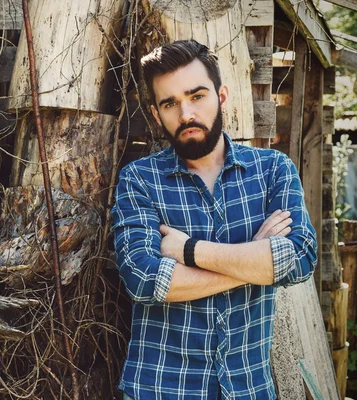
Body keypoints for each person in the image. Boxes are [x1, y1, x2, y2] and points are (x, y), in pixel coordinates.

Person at [111, 40, 317, 399]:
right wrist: (254, 257)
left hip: (248, 388)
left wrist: (188, 251)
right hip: (159, 388)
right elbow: (145, 281)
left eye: (197, 96)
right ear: (156, 113)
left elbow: (300, 259)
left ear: (221, 95)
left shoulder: (272, 171)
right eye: (170, 103)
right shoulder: (139, 179)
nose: (186, 114)